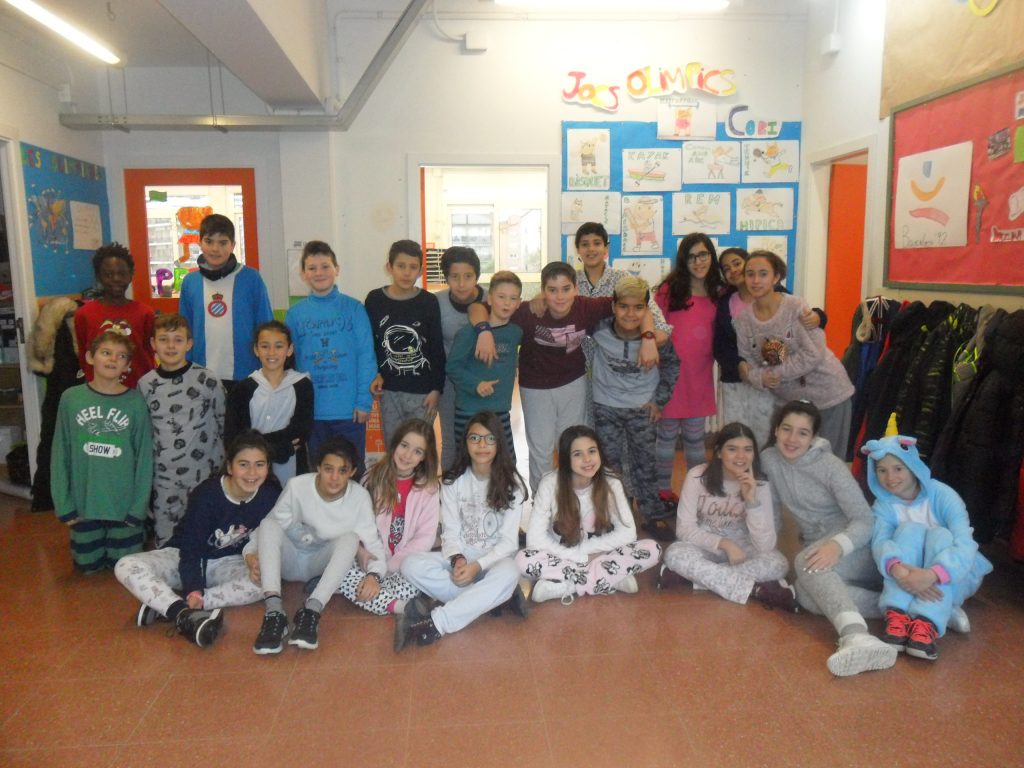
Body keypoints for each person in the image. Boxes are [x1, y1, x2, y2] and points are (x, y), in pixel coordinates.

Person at [470, 261, 660, 494]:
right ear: (543, 291)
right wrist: (484, 332)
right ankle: (543, 501)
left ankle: (572, 498)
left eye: (566, 289)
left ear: (576, 289)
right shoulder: (528, 311)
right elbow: (477, 308)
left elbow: (638, 304)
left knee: (572, 445)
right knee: (541, 449)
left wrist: (648, 337)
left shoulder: (586, 307)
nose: (560, 297)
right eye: (552, 290)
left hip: (572, 383)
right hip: (535, 388)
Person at [761, 400, 896, 677]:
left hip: (858, 546)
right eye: (786, 429)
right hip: (819, 548)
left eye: (802, 432)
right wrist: (763, 549)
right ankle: (902, 607)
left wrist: (837, 545)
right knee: (809, 598)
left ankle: (856, 635)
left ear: (813, 438)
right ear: (775, 430)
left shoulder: (830, 466)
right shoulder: (769, 460)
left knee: (806, 563)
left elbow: (865, 520)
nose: (792, 438)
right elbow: (772, 512)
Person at [114, 431, 281, 648]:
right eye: (243, 464)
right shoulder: (207, 494)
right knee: (126, 565)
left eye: (259, 465)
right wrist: (194, 588)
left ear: (268, 467)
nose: (252, 473)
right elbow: (191, 550)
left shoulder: (270, 495)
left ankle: (171, 605)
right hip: (183, 558)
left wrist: (253, 559)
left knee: (266, 581)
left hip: (229, 564)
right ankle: (183, 613)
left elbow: (267, 537)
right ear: (230, 467)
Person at [397, 411, 529, 651]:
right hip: (463, 557)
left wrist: (478, 566)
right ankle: (492, 599)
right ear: (465, 442)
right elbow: (450, 532)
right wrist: (458, 559)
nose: (482, 445)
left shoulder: (513, 485)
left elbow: (509, 543)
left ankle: (437, 622)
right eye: (475, 438)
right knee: (410, 564)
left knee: (511, 571)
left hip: (494, 562)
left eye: (490, 439)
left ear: (499, 443)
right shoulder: (452, 481)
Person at [863, 417, 992, 661]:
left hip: (950, 575)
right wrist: (898, 569)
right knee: (909, 531)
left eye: (898, 468)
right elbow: (880, 542)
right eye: (882, 470)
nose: (890, 478)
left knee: (941, 534)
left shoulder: (942, 495)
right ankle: (899, 614)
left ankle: (928, 620)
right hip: (905, 579)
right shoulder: (883, 506)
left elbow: (965, 543)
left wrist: (932, 574)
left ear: (912, 466)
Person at [249, 436, 382, 655]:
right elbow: (268, 527)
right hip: (290, 559)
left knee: (350, 539)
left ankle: (311, 612)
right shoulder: (297, 486)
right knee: (268, 524)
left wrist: (374, 575)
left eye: (342, 470)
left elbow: (373, 542)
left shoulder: (359, 497)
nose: (334, 478)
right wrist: (250, 554)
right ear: (318, 467)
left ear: (352, 472)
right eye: (328, 469)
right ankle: (274, 613)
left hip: (320, 565)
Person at [517, 425, 660, 604]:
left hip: (601, 554)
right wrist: (580, 558)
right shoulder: (549, 484)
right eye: (577, 454)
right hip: (563, 556)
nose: (587, 459)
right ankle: (608, 579)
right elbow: (535, 540)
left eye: (592, 451)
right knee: (522, 560)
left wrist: (586, 552)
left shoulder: (611, 482)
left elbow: (628, 533)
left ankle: (567, 586)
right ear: (566, 459)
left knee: (652, 549)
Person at [661, 422, 796, 609]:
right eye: (732, 449)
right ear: (718, 452)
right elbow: (684, 529)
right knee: (675, 554)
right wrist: (725, 544)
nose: (741, 456)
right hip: (704, 545)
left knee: (778, 563)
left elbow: (765, 545)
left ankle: (692, 579)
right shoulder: (697, 476)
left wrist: (752, 502)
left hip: (744, 549)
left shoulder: (760, 484)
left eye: (747, 449)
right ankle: (756, 590)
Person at [733, 250, 854, 459]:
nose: (756, 280)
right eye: (750, 274)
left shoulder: (795, 306)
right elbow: (747, 360)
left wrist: (775, 374)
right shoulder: (743, 321)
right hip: (789, 403)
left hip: (828, 394)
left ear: (776, 277)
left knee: (828, 463)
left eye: (763, 273)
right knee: (782, 462)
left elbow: (813, 353)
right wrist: (760, 377)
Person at [51, 331, 153, 573]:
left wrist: (138, 508)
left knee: (126, 574)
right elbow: (59, 454)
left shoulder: (135, 402)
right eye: (106, 352)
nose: (112, 359)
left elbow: (144, 459)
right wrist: (63, 504)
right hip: (83, 506)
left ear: (127, 366)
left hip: (124, 508)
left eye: (121, 356)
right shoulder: (71, 399)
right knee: (88, 571)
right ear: (90, 357)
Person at [590, 275, 679, 537]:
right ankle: (614, 512)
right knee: (609, 464)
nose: (630, 314)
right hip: (606, 407)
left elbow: (672, 366)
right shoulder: (599, 329)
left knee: (645, 463)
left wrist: (659, 401)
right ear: (613, 306)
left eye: (638, 307)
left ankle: (651, 513)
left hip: (642, 408)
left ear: (647, 310)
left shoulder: (657, 338)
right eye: (624, 307)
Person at [714, 247, 826, 448]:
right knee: (737, 433)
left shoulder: (776, 294)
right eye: (726, 268)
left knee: (766, 434)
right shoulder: (725, 301)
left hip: (771, 379)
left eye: (737, 263)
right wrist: (739, 365)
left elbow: (802, 314)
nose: (733, 270)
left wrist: (820, 316)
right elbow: (720, 344)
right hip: (736, 378)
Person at [285, 240, 376, 474]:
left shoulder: (354, 309)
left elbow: (366, 356)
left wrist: (364, 401)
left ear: (337, 269)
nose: (319, 273)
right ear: (303, 274)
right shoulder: (294, 315)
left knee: (351, 471)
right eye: (312, 268)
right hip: (312, 412)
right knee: (319, 474)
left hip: (350, 411)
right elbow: (289, 364)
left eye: (325, 266)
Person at [335, 418, 440, 616]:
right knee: (339, 568)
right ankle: (398, 606)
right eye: (404, 445)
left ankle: (370, 593)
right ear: (395, 443)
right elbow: (354, 524)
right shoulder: (371, 478)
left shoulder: (429, 489)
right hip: (369, 558)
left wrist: (387, 568)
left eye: (417, 451)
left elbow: (424, 539)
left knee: (414, 581)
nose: (407, 455)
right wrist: (365, 558)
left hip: (402, 564)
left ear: (424, 457)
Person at [138, 313, 225, 545]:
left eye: (178, 340)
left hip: (205, 475)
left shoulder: (207, 380)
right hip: (164, 479)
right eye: (164, 339)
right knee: (167, 537)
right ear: (153, 344)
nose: (171, 346)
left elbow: (224, 422)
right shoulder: (145, 384)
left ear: (189, 344)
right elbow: (144, 432)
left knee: (206, 533)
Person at [654, 233, 725, 507]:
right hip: (670, 377)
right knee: (666, 439)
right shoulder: (669, 290)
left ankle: (699, 494)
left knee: (696, 441)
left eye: (703, 254)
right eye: (691, 256)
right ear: (683, 261)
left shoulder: (719, 292)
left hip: (699, 377)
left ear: (711, 256)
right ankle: (662, 492)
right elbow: (654, 327)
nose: (698, 262)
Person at [178, 214, 273, 391]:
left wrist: (268, 368)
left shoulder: (251, 278)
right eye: (209, 241)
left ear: (233, 245)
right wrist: (184, 368)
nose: (215, 249)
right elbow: (184, 330)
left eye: (223, 242)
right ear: (200, 243)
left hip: (246, 374)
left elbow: (266, 327)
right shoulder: (190, 282)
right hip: (200, 374)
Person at [365, 240, 446, 446]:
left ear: (420, 271)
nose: (407, 272)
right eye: (401, 266)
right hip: (389, 390)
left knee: (420, 448)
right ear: (389, 267)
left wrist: (436, 389)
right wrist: (374, 373)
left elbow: (436, 347)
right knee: (394, 448)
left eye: (413, 267)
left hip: (423, 392)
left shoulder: (428, 301)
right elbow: (369, 344)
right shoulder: (374, 300)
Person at [225, 320, 314, 485]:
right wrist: (279, 448)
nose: (271, 352)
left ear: (290, 349)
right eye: (265, 346)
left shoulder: (302, 385)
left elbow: (300, 431)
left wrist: (256, 442)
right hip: (250, 468)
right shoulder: (243, 389)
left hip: (293, 465)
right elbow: (234, 436)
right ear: (256, 349)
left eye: (279, 346)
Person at [445, 270, 523, 456]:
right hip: (469, 411)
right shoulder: (469, 332)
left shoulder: (516, 332)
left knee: (506, 463)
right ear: (489, 299)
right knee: (467, 462)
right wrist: (476, 384)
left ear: (519, 303)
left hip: (500, 411)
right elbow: (452, 367)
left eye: (513, 298)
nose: (507, 303)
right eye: (501, 297)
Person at [73, 242, 155, 388]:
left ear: (130, 275)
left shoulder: (145, 313)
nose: (116, 279)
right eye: (108, 274)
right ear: (99, 277)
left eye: (122, 273)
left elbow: (149, 353)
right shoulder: (84, 314)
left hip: (138, 389)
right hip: (99, 389)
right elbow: (83, 354)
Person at [436, 246, 486, 470]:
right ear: (446, 277)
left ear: (477, 276)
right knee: (451, 439)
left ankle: (485, 486)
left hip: (483, 379)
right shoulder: (436, 302)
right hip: (450, 381)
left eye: (468, 276)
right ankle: (450, 484)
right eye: (454, 277)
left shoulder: (491, 298)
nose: (461, 283)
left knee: (484, 436)